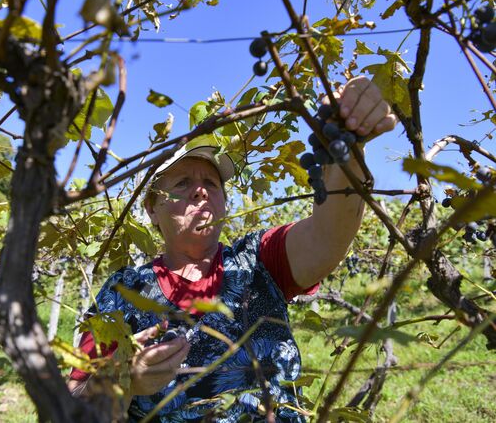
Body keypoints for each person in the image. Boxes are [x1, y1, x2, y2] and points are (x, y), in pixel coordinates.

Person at [68, 76, 397, 421]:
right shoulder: (121, 294)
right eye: (183, 183)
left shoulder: (257, 260)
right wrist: (121, 382)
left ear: (225, 202)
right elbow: (72, 403)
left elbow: (327, 238)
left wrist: (347, 147)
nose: (201, 191)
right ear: (152, 207)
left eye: (211, 182)